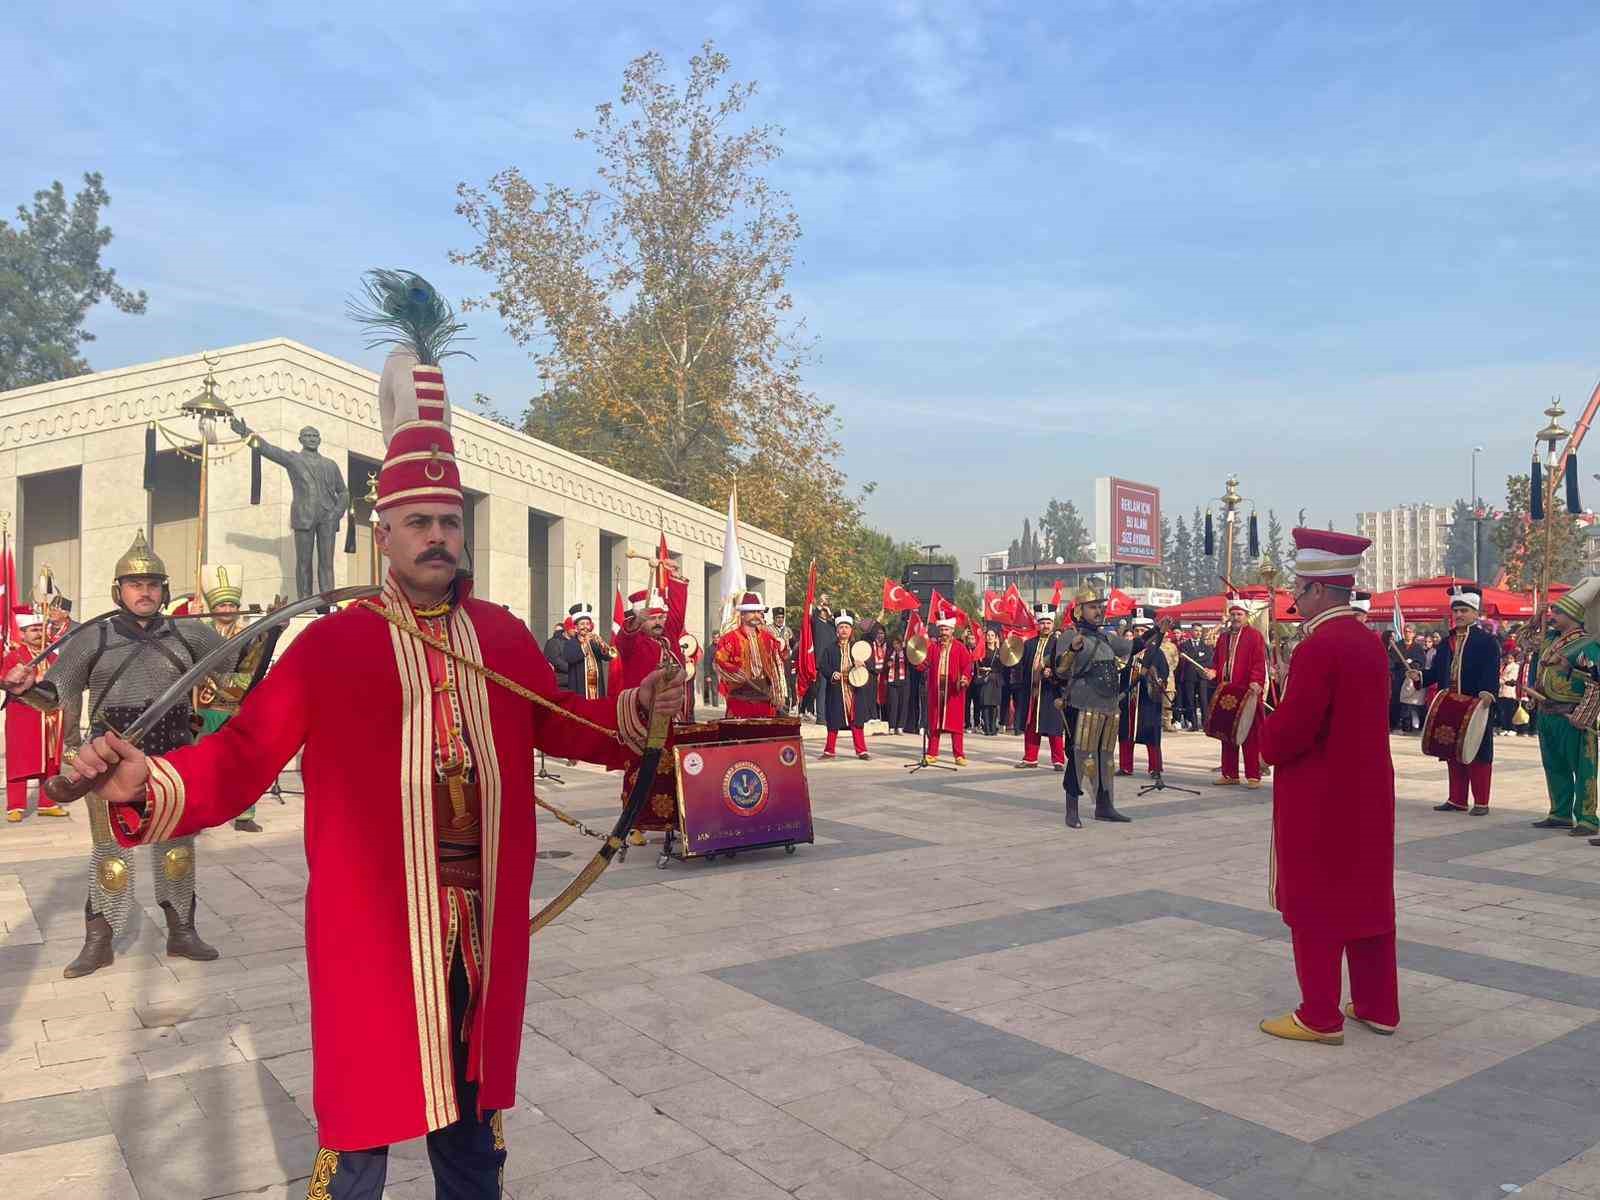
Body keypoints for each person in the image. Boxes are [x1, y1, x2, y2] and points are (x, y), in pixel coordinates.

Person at [68, 326, 685, 1198]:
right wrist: (153, 783)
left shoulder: (503, 635)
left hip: (480, 923)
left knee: (471, 1126)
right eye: (420, 523)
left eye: (450, 522)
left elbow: (564, 723)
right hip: (374, 929)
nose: (439, 537)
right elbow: (240, 759)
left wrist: (635, 711)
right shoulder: (333, 645)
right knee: (363, 1132)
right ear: (382, 534)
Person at [2, 531, 225, 976]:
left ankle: (182, 931)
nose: (145, 591)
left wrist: (267, 636)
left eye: (154, 584)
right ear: (118, 591)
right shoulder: (93, 638)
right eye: (136, 584)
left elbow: (238, 674)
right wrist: (27, 688)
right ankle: (99, 941)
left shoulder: (193, 634)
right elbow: (57, 694)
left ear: (163, 589)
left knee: (177, 848)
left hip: (174, 760)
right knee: (111, 853)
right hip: (108, 760)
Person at [1257, 526, 1397, 1046]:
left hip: (1320, 795)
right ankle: (1378, 1005)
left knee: (1314, 899)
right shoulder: (1368, 642)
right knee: (1368, 895)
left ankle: (1319, 1014)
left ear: (1318, 589)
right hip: (1367, 790)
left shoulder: (1319, 647)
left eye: (1298, 586)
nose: (1294, 596)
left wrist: (1264, 732)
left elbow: (1293, 732)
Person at [192, 564, 274, 833]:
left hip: (234, 694)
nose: (227, 610)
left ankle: (243, 814)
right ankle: (197, 810)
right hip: (201, 698)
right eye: (222, 605)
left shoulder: (247, 631)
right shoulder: (198, 628)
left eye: (231, 605)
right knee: (201, 757)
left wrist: (273, 631)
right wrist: (188, 622)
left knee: (238, 756)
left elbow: (255, 663)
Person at [230, 418, 349, 600]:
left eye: (315, 436)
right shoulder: (294, 459)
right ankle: (304, 602)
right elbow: (268, 449)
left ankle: (328, 602)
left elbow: (344, 492)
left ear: (320, 439)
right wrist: (245, 433)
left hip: (328, 516)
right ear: (300, 439)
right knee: (304, 563)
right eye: (308, 436)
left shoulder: (330, 464)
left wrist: (336, 513)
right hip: (304, 515)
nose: (312, 439)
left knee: (327, 564)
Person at [1416, 587, 1499, 815]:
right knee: (1452, 752)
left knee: (1478, 753)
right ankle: (1457, 800)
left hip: (1476, 706)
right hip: (1450, 705)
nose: (1459, 615)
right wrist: (1420, 676)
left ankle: (1481, 802)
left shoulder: (1487, 641)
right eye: (1456, 611)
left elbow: (1491, 672)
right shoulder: (1446, 642)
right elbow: (1435, 672)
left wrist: (1487, 692)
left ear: (1475, 613)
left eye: (1464, 610)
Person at [1058, 587, 1133, 828]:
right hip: (1082, 704)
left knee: (1106, 759)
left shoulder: (1106, 637)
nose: (1099, 611)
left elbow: (1134, 646)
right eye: (1093, 607)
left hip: (1108, 707)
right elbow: (1059, 670)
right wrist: (1072, 650)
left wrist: (1158, 632)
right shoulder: (1069, 636)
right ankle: (1072, 809)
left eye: (1101, 607)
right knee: (1079, 757)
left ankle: (1104, 806)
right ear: (1079, 610)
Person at [1529, 583, 1600, 836]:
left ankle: (1587, 818)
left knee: (1583, 769)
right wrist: (1536, 619)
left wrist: (1584, 716)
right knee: (1554, 765)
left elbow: (1596, 682)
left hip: (1573, 715)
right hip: (1547, 711)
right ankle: (1559, 812)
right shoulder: (1549, 638)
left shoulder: (1587, 644)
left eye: (1557, 612)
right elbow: (1525, 643)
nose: (1552, 616)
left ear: (1573, 616)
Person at [3, 608, 69, 823]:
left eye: (41, 628)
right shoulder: (15, 655)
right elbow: (7, 681)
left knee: (51, 761)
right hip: (23, 714)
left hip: (50, 715)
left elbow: (65, 680)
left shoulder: (52, 655)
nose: (39, 633)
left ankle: (48, 802)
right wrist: (29, 678)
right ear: (22, 633)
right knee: (19, 760)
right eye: (33, 629)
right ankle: (15, 805)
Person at [612, 578, 692, 722]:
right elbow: (623, 641)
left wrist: (674, 577)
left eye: (661, 617)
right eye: (652, 618)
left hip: (673, 712)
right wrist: (636, 622)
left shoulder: (669, 637)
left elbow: (677, 612)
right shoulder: (635, 642)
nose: (658, 622)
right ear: (641, 620)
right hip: (644, 713)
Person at [1209, 597, 1267, 788]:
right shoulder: (1223, 637)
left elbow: (1259, 662)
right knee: (1226, 733)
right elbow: (1217, 660)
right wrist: (1213, 671)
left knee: (1249, 734)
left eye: (1239, 614)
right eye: (1233, 614)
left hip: (1246, 691)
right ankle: (1230, 773)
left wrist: (1256, 681)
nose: (1235, 617)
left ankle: (1253, 775)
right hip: (1226, 691)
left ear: (1247, 616)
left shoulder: (1254, 636)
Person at [714, 592, 788, 717]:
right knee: (740, 734)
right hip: (739, 699)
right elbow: (719, 663)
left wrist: (778, 692)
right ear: (742, 615)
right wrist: (737, 673)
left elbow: (777, 665)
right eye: (752, 612)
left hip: (764, 698)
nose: (757, 615)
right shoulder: (729, 638)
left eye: (759, 612)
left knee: (765, 734)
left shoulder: (768, 638)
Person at [1117, 612, 1168, 777]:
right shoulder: (1128, 652)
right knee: (1125, 733)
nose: (1139, 634)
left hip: (1148, 701)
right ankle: (1126, 766)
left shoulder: (1157, 653)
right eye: (1137, 630)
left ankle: (1155, 767)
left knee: (1151, 734)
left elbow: (1164, 674)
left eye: (1143, 630)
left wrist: (1158, 680)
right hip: (1128, 700)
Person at [1016, 605, 1067, 770]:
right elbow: (1022, 666)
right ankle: (1030, 757)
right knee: (1031, 725)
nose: (1045, 626)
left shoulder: (1059, 645)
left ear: (1053, 624)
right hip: (1032, 691)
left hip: (1051, 691)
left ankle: (1058, 760)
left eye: (1048, 623)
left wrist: (1052, 673)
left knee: (1054, 726)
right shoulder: (1029, 644)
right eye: (1042, 622)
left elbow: (1065, 668)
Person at [915, 617, 971, 763]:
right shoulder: (933, 647)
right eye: (941, 630)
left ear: (952, 631)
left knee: (956, 724)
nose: (944, 633)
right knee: (934, 723)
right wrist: (915, 658)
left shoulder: (960, 647)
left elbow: (967, 666)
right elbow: (924, 663)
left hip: (953, 690)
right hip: (936, 689)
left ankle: (959, 754)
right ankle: (932, 753)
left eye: (946, 630)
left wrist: (965, 678)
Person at [816, 611, 871, 759]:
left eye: (847, 627)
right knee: (833, 720)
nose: (844, 630)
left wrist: (863, 664)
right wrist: (832, 674)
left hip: (855, 688)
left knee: (856, 720)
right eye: (841, 627)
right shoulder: (830, 648)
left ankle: (861, 750)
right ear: (837, 630)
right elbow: (823, 665)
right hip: (837, 688)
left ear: (851, 629)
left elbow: (870, 665)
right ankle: (829, 750)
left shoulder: (858, 647)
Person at [552, 603, 612, 699]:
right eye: (582, 624)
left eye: (588, 624)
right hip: (580, 686)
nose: (585, 627)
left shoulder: (594, 642)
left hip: (597, 686)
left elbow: (608, 657)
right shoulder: (571, 642)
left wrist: (602, 644)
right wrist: (585, 643)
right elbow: (570, 658)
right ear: (576, 628)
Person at [975, 629, 1003, 735]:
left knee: (994, 704)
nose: (990, 637)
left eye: (992, 635)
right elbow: (978, 664)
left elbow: (1002, 667)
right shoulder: (982, 650)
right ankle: (986, 728)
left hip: (996, 679)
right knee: (985, 704)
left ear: (996, 638)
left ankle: (993, 727)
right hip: (985, 679)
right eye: (988, 635)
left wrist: (991, 670)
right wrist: (983, 669)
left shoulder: (999, 652)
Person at [884, 633, 910, 733]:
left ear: (901, 644)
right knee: (893, 704)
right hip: (892, 682)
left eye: (898, 643)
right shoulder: (890, 653)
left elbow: (912, 663)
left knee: (903, 704)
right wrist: (887, 665)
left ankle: (900, 726)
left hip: (904, 682)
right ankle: (892, 726)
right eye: (894, 644)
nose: (896, 646)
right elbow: (885, 667)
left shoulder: (906, 653)